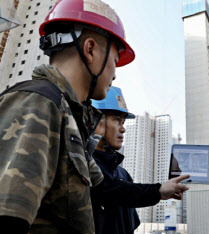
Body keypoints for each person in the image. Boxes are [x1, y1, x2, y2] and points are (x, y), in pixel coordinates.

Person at [0, 0, 135, 233]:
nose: (115, 73)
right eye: (115, 60)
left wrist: (161, 189)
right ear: (90, 49)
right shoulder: (39, 102)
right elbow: (8, 216)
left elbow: (106, 187)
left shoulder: (69, 117)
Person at [90, 86, 190, 234]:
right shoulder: (82, 165)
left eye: (123, 122)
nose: (123, 129)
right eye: (117, 120)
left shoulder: (123, 175)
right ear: (94, 121)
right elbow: (111, 189)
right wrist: (159, 190)